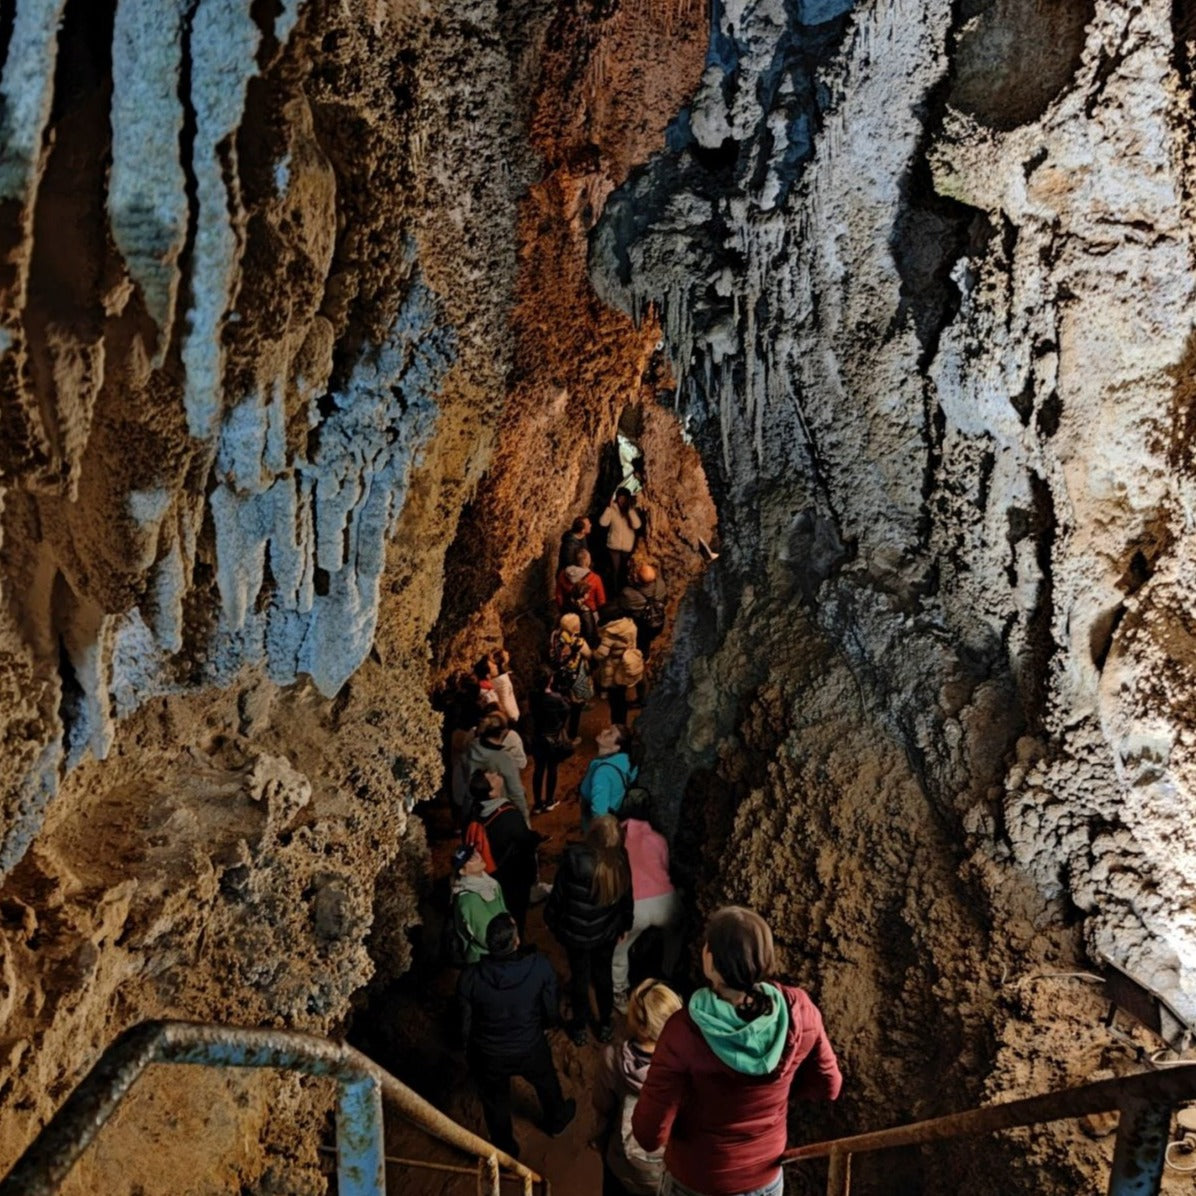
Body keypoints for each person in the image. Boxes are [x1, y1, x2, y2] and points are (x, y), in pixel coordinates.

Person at [632, 907, 843, 1196]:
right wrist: (775, 1092)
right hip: (764, 1176)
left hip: (698, 1177)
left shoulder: (683, 1032)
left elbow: (647, 1135)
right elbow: (830, 1086)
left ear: (711, 962)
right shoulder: (801, 1011)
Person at [458, 913, 577, 1159]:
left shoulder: (470, 978)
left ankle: (505, 1150)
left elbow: (464, 1023)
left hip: (489, 1054)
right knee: (546, 1081)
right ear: (516, 942)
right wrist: (546, 1024)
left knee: (494, 1101)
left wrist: (469, 1050)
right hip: (530, 1045)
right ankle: (556, 1119)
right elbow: (550, 1007)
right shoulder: (539, 967)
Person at [544, 814, 634, 1046]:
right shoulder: (620, 861)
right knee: (603, 977)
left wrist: (552, 922)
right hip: (606, 934)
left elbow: (558, 897)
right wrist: (625, 924)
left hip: (577, 936)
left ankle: (580, 1027)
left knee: (580, 979)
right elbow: (627, 899)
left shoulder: (572, 861)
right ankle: (605, 1024)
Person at [593, 979, 683, 1195]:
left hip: (621, 1165)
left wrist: (600, 1141)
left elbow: (602, 1107)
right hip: (666, 1172)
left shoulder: (612, 1059)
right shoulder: (686, 1066)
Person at [612, 795, 681, 1010]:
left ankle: (620, 993)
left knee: (620, 949)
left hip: (634, 906)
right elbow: (665, 868)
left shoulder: (617, 840)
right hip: (664, 901)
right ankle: (667, 974)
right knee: (676, 932)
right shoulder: (659, 839)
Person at [464, 771, 540, 934]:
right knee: (516, 912)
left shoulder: (475, 810)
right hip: (512, 876)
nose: (496, 774)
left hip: (490, 872)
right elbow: (525, 844)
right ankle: (515, 941)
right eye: (492, 777)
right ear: (492, 792)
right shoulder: (509, 816)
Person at [449, 844, 509, 964]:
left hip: (501, 944)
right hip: (486, 959)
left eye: (475, 853)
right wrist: (509, 945)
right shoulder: (469, 899)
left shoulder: (490, 883)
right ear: (462, 871)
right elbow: (485, 938)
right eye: (471, 859)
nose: (477, 856)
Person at [465, 713, 530, 823]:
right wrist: (525, 820)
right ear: (503, 731)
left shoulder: (473, 747)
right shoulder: (504, 758)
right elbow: (516, 793)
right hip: (499, 812)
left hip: (476, 809)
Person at [530, 665, 572, 814]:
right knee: (552, 768)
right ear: (550, 680)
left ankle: (537, 804)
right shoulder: (557, 698)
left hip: (538, 737)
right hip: (553, 738)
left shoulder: (533, 697)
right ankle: (549, 801)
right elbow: (566, 713)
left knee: (538, 769)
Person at [591, 604, 643, 725]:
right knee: (622, 696)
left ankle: (616, 726)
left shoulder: (609, 634)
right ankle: (622, 724)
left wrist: (592, 652)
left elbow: (601, 654)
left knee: (614, 701)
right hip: (626, 666)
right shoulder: (630, 626)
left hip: (613, 668)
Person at [580, 724, 636, 826]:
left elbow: (599, 813)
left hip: (599, 825)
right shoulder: (625, 761)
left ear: (616, 747)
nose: (603, 731)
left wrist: (597, 833)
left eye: (610, 733)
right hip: (614, 811)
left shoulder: (602, 773)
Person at [548, 613, 592, 742]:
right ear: (574, 627)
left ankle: (557, 734)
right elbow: (588, 654)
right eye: (578, 624)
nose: (581, 625)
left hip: (559, 674)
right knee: (575, 706)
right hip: (574, 676)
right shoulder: (578, 642)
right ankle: (572, 736)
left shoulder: (555, 634)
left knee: (561, 703)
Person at [600, 488, 642, 589]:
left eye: (624, 498)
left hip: (627, 547)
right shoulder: (612, 509)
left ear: (628, 499)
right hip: (614, 546)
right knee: (615, 570)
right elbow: (603, 523)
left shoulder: (632, 510)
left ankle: (625, 591)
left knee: (626, 570)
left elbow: (637, 525)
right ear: (617, 498)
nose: (622, 501)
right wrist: (608, 508)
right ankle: (615, 591)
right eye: (620, 498)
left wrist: (630, 511)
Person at [490, 648, 521, 725]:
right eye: (504, 653)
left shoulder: (504, 674)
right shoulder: (502, 680)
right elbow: (505, 701)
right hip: (511, 716)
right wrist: (513, 717)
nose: (507, 653)